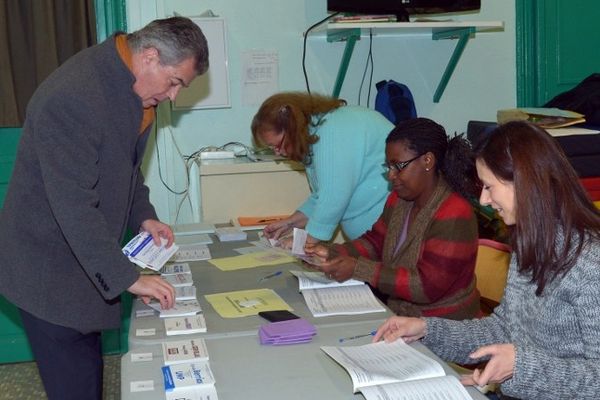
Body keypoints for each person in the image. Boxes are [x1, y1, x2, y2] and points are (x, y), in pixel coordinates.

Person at [0, 17, 209, 400]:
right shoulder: (73, 97)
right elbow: (74, 206)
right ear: (150, 57)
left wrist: (142, 215)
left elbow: (125, 170)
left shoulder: (133, 88)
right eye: (175, 81)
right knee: (75, 384)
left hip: (82, 261)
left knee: (88, 375)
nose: (174, 96)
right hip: (47, 272)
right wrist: (127, 278)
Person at [373, 121, 600, 399]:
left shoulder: (590, 265)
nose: (483, 199)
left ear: (525, 183)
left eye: (490, 187)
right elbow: (504, 328)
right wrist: (426, 329)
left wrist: (521, 366)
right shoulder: (531, 244)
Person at [304, 118, 481, 320]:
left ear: (427, 161)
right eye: (388, 166)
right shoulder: (399, 199)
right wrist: (332, 252)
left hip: (446, 328)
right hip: (401, 317)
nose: (390, 175)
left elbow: (425, 287)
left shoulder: (454, 213)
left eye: (398, 166)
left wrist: (357, 268)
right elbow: (376, 242)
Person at [251, 92, 393, 244]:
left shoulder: (333, 129)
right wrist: (290, 223)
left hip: (389, 233)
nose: (278, 153)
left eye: (277, 145)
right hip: (374, 239)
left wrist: (306, 242)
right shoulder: (319, 132)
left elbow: (334, 196)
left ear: (291, 128)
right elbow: (323, 196)